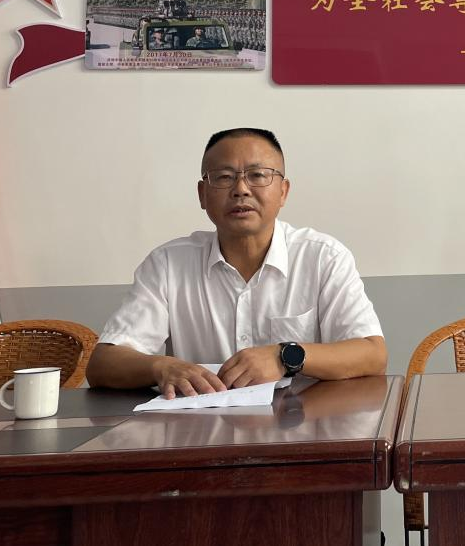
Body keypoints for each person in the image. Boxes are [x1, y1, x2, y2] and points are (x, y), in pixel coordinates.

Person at [87, 128, 387, 397]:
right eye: (224, 177)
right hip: (201, 431)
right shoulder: (168, 264)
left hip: (302, 427)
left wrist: (285, 356)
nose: (241, 189)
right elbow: (103, 364)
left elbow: (372, 354)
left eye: (258, 175)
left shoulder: (323, 257)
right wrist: (161, 366)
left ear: (283, 192)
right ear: (203, 194)